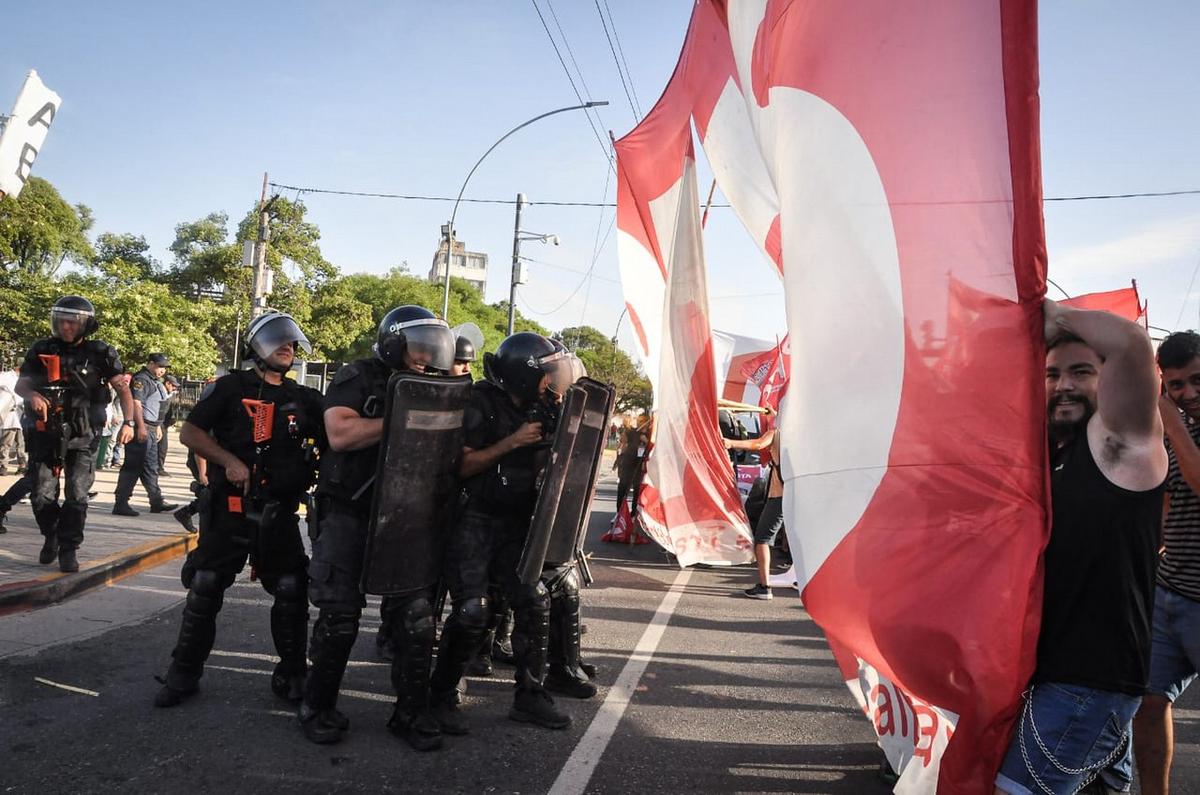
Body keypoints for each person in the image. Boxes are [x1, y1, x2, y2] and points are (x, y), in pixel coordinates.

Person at [995, 301, 1168, 795]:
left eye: (1081, 372)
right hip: (1065, 675)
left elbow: (1134, 346)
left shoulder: (1122, 444)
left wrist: (1048, 312)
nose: (1063, 385)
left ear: (1108, 380)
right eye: (1052, 374)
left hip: (1087, 683)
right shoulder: (1057, 455)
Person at [299, 304, 457, 751]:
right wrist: (405, 417)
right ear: (394, 343)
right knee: (340, 617)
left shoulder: (438, 387)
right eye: (417, 348)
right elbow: (341, 435)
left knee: (416, 619)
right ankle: (317, 706)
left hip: (406, 516)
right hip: (350, 512)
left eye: (432, 349)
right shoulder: (358, 377)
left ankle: (410, 712)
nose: (425, 358)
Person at [153, 311, 324, 708]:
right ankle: (183, 673)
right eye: (279, 340)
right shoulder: (229, 388)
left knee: (291, 588)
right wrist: (228, 460)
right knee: (207, 583)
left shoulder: (304, 399)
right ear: (257, 347)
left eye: (292, 342)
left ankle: (294, 673)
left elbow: (337, 434)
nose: (288, 347)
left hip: (280, 511)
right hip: (229, 507)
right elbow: (191, 432)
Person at [427, 332, 581, 733]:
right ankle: (439, 695)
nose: (552, 381)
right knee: (472, 610)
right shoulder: (476, 403)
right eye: (545, 374)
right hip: (473, 519)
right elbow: (461, 466)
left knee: (534, 600)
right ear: (523, 374)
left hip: (516, 521)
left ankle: (530, 695)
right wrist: (514, 441)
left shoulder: (542, 408)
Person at [15, 296, 135, 572]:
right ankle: (51, 535)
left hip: (83, 433)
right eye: (61, 320)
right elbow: (22, 384)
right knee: (41, 494)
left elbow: (122, 388)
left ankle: (69, 549)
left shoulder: (101, 352)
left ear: (86, 325)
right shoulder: (41, 348)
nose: (66, 326)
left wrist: (129, 422)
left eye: (72, 321)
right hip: (46, 431)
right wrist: (33, 394)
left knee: (77, 494)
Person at [1132, 330, 1200, 795]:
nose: (1188, 394)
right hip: (1170, 593)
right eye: (1175, 386)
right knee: (1149, 704)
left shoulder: (1176, 425)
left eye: (1197, 380)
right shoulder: (1179, 431)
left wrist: (1169, 418)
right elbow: (1169, 502)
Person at [112, 354, 178, 517]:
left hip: (151, 429)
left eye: (164, 368)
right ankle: (121, 502)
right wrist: (140, 426)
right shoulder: (142, 379)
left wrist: (157, 427)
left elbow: (156, 406)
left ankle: (156, 501)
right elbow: (136, 404)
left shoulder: (154, 381)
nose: (162, 370)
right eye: (159, 366)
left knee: (151, 467)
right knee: (132, 466)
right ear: (150, 364)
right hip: (141, 428)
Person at [725, 422, 784, 600]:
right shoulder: (803, 434)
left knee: (763, 538)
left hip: (780, 494)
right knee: (800, 541)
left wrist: (730, 442)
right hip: (801, 494)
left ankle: (765, 587)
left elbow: (757, 444)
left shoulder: (778, 432)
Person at [0, 365, 26, 475]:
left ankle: (22, 465)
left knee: (21, 443)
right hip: (10, 415)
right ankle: (3, 466)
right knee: (6, 443)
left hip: (20, 416)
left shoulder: (21, 379)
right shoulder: (6, 376)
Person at [158, 374, 179, 475]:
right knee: (160, 446)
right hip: (157, 423)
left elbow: (169, 408)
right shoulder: (160, 392)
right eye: (173, 385)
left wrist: (171, 418)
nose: (174, 388)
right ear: (167, 383)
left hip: (164, 423)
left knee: (163, 447)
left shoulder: (169, 394)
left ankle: (159, 467)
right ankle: (157, 468)